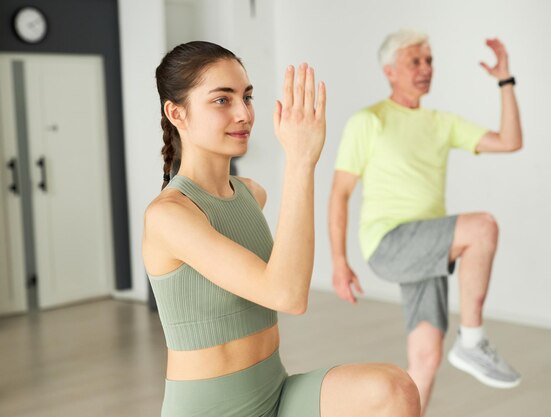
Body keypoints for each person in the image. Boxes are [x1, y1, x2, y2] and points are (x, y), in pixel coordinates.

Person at [143, 41, 420, 417]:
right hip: (211, 409)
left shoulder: (250, 194)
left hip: (276, 393)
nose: (243, 113)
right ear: (177, 113)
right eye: (222, 100)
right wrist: (301, 160)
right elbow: (288, 295)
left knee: (393, 390)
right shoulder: (169, 216)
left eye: (247, 97)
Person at [329, 29, 523, 415]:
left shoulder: (441, 122)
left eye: (429, 60)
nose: (425, 69)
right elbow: (340, 192)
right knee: (482, 227)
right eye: (414, 61)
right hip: (390, 241)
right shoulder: (369, 121)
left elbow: (510, 141)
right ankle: (472, 341)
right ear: (389, 71)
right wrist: (338, 262)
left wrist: (505, 79)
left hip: (429, 245)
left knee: (426, 359)